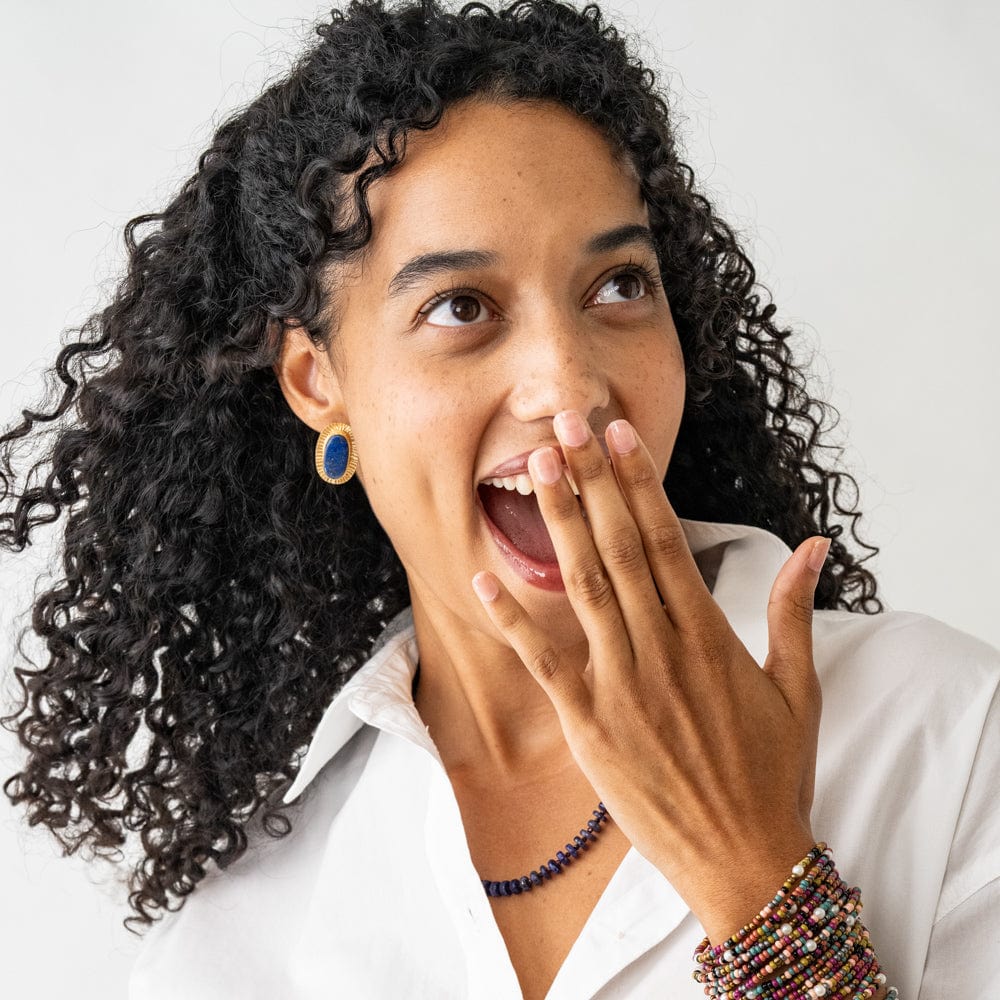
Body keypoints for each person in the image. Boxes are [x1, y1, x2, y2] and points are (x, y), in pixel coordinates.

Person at [1, 0, 996, 996]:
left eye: (616, 286)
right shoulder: (240, 936)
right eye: (460, 307)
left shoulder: (943, 734)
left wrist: (758, 880)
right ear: (317, 382)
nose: (567, 387)